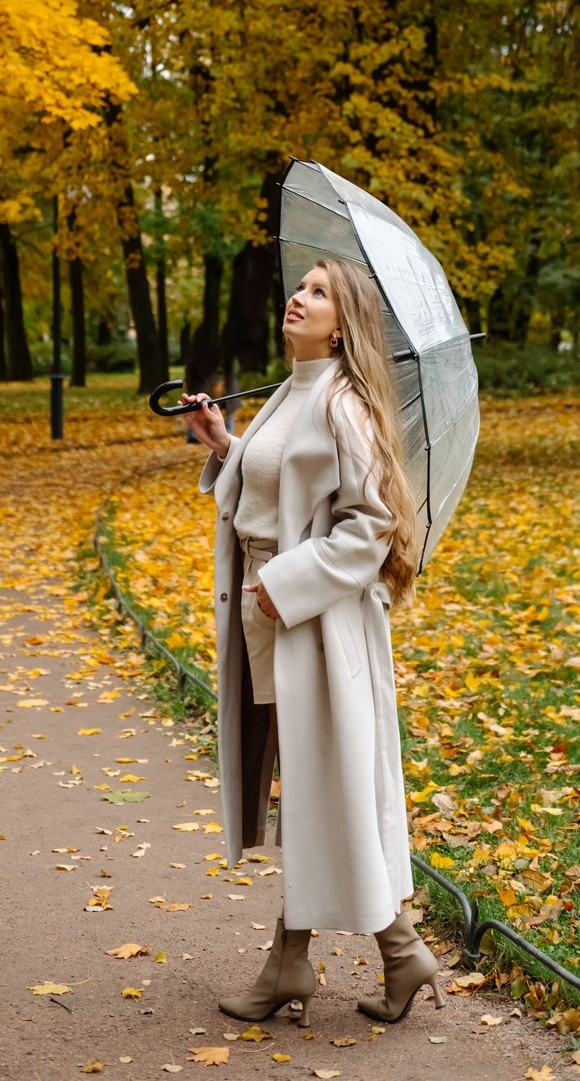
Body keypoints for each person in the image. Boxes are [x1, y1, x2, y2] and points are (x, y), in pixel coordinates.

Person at [182, 258, 445, 1029]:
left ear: (343, 326)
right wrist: (224, 444)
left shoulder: (344, 406)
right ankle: (381, 954)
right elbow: (279, 487)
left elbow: (372, 527)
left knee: (322, 784)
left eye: (320, 293)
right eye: (300, 287)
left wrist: (286, 584)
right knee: (312, 784)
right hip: (271, 619)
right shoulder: (290, 392)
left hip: (317, 625)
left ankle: (307, 962)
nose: (299, 297)